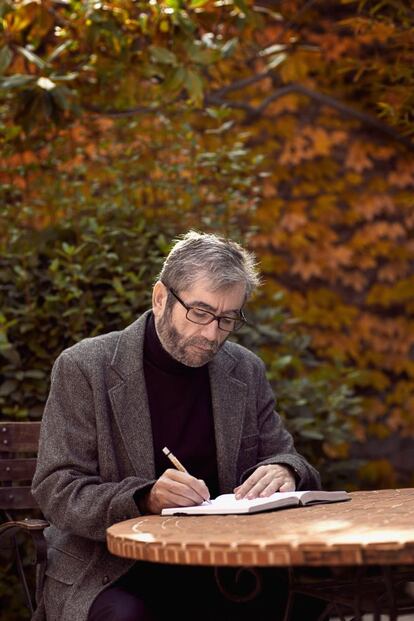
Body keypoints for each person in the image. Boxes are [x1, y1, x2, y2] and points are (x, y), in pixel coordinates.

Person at [32, 231, 322, 621]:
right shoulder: (85, 367)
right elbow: (57, 488)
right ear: (160, 298)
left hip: (223, 568)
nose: (211, 334)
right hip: (113, 570)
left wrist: (284, 470)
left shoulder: (245, 369)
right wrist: (144, 498)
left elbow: (285, 454)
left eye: (227, 319)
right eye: (200, 313)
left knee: (304, 602)